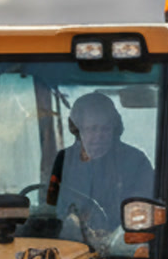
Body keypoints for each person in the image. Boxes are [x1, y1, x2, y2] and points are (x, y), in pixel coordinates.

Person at [51, 92, 155, 240]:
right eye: (92, 129)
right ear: (79, 130)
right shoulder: (64, 161)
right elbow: (50, 208)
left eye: (105, 129)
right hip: (71, 246)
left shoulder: (136, 162)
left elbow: (143, 212)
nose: (98, 136)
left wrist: (113, 236)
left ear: (114, 129)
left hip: (122, 250)